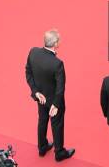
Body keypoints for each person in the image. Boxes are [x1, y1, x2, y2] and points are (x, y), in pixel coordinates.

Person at [25, 30, 75, 161]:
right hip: (53, 101)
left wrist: (36, 92)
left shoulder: (33, 52)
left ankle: (42, 147)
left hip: (40, 98)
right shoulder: (57, 63)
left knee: (42, 120)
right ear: (56, 44)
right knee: (57, 125)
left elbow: (28, 72)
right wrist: (56, 104)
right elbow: (61, 87)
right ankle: (59, 153)